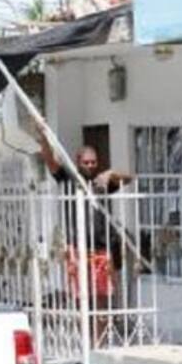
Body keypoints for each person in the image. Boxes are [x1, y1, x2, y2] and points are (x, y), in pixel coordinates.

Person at [36, 129, 133, 323]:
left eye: (93, 162)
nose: (90, 166)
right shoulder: (69, 178)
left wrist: (111, 174)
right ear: (78, 162)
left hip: (101, 247)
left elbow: (130, 178)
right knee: (83, 299)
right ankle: (88, 344)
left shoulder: (101, 182)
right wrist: (44, 138)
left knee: (103, 299)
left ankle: (99, 344)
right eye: (86, 162)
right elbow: (50, 160)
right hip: (77, 247)